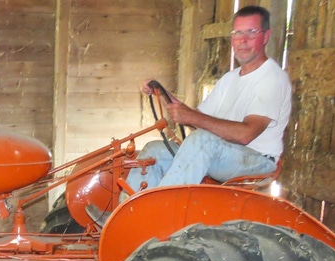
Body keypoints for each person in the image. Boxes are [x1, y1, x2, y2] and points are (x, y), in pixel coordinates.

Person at [125, 5, 292, 193]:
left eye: (251, 32)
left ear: (266, 36)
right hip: (223, 153)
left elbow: (246, 134)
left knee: (202, 140)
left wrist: (192, 117)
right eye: (237, 33)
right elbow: (197, 119)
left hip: (257, 160)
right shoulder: (230, 78)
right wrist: (164, 94)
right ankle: (124, 214)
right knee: (154, 149)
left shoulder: (272, 79)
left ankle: (162, 210)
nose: (243, 40)